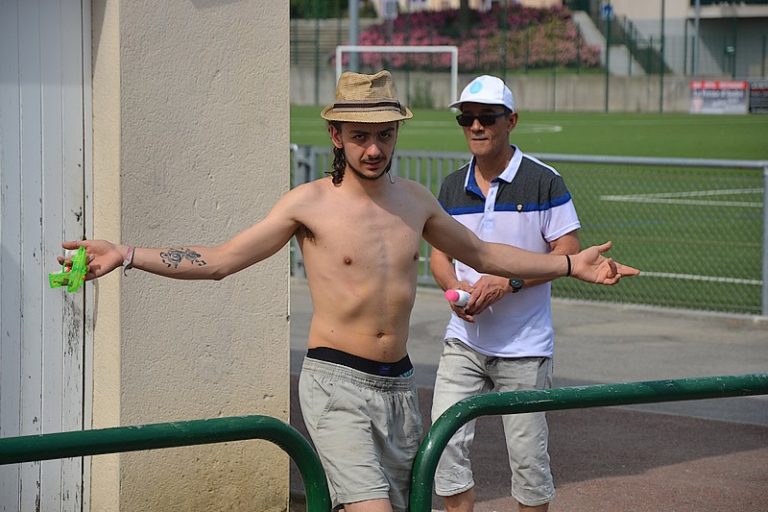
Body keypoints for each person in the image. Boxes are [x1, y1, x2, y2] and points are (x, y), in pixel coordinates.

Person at [60, 70, 638, 512]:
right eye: (360, 137)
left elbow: (483, 255)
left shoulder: (415, 201)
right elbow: (219, 261)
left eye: (384, 136)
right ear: (335, 135)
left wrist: (569, 265)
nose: (373, 150)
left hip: (400, 387)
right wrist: (127, 253)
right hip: (335, 383)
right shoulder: (308, 204)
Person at [430, 75, 579, 512]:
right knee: (443, 452)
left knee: (529, 465)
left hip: (525, 348)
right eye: (467, 118)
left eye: (487, 117)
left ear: (511, 121)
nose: (476, 126)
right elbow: (438, 256)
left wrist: (507, 281)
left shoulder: (544, 180)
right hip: (464, 341)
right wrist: (453, 286)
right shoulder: (451, 185)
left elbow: (568, 251)